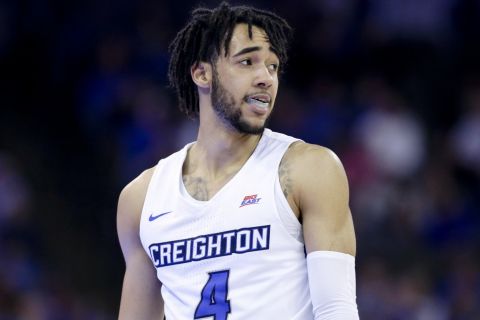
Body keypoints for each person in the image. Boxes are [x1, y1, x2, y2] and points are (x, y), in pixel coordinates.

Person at [117, 2, 359, 319]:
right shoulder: (141, 199)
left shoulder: (308, 169)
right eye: (247, 62)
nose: (266, 78)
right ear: (202, 73)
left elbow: (336, 309)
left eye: (272, 66)